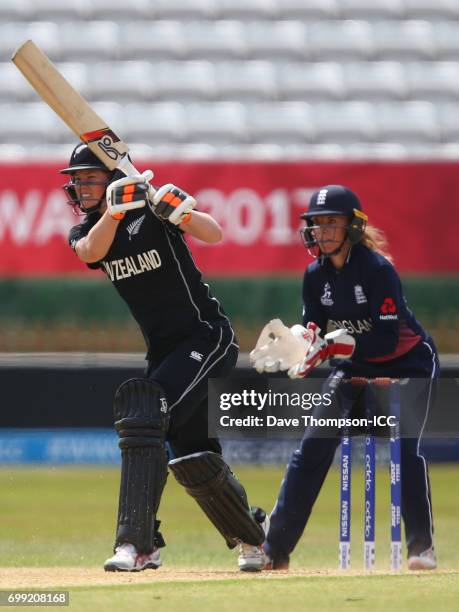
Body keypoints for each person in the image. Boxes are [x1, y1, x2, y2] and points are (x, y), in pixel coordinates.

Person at [62, 143, 267, 572]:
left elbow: (214, 233)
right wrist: (114, 212)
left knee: (146, 413)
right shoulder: (88, 230)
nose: (81, 187)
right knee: (191, 455)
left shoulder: (149, 212)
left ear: (113, 178)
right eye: (76, 180)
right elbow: (90, 253)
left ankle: (138, 544)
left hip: (206, 337)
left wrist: (182, 213)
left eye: (89, 178)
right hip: (165, 352)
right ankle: (255, 536)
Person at [251, 185, 438, 571]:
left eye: (332, 223)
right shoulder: (314, 275)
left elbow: (387, 338)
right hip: (353, 368)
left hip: (408, 364)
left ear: (352, 227)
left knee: (404, 450)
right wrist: (301, 345)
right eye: (317, 224)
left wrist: (336, 348)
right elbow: (314, 328)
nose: (323, 231)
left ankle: (421, 548)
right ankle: (276, 549)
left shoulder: (377, 270)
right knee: (312, 450)